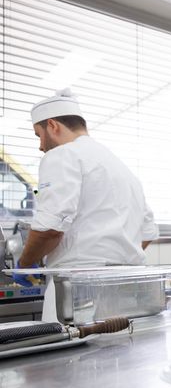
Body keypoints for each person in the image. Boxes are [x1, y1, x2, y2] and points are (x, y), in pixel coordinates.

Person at [13, 89, 158, 285]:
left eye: (39, 135)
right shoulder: (120, 166)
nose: (40, 146)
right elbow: (148, 230)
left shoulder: (62, 155)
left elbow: (49, 228)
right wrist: (119, 258)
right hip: (128, 283)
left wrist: (24, 263)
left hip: (80, 286)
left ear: (53, 125)